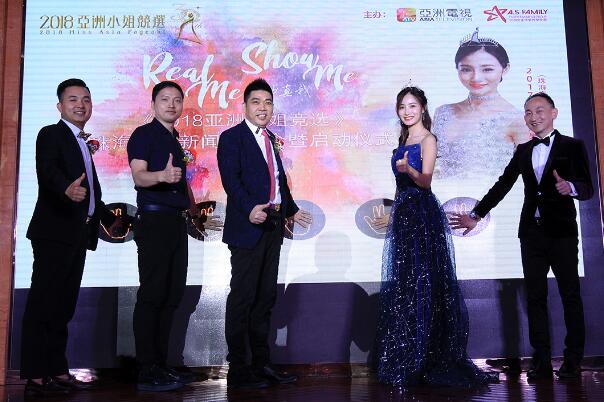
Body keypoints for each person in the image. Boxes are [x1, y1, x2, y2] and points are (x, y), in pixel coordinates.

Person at [450, 92, 594, 379]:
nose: (533, 116)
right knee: (535, 299)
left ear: (554, 113)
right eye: (528, 112)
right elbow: (502, 185)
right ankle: (541, 362)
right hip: (531, 234)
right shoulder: (523, 150)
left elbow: (588, 188)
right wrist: (475, 215)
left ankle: (572, 360)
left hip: (562, 234)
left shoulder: (572, 146)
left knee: (570, 297)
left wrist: (571, 188)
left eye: (539, 111)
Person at [375, 86, 497, 387]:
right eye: (402, 107)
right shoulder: (402, 140)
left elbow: (426, 181)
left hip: (422, 214)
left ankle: (429, 357)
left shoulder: (429, 139)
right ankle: (410, 355)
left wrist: (408, 169)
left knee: (425, 283)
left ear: (423, 108)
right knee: (406, 283)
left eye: (412, 106)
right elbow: (400, 187)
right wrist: (395, 213)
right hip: (405, 214)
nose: (407, 112)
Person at [21, 78, 123, 396]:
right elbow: (47, 170)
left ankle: (57, 369)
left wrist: (110, 220)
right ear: (60, 106)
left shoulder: (81, 142)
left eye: (86, 99)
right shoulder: (51, 134)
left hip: (77, 233)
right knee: (43, 303)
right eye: (73, 99)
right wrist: (65, 188)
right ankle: (36, 377)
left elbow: (91, 193)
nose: (81, 105)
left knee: (63, 306)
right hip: (54, 232)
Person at [217, 78, 312, 389]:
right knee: (243, 298)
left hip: (272, 226)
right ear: (245, 106)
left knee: (264, 298)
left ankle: (261, 364)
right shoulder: (232, 137)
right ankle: (238, 369)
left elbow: (278, 180)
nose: (263, 108)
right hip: (248, 227)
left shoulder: (271, 138)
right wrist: (249, 209)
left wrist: (291, 209)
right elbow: (231, 180)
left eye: (268, 102)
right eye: (256, 102)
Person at [127, 81, 213, 391]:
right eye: (165, 99)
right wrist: (161, 175)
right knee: (153, 294)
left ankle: (161, 365)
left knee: (172, 294)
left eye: (177, 100)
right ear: (153, 104)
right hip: (154, 221)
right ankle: (147, 369)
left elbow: (180, 183)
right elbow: (139, 175)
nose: (172, 105)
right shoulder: (143, 135)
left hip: (176, 223)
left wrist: (193, 210)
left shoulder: (174, 139)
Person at [433, 28, 529, 179]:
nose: (476, 77)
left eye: (487, 69)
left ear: (505, 69)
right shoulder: (443, 112)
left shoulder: (517, 120)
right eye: (466, 69)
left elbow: (527, 176)